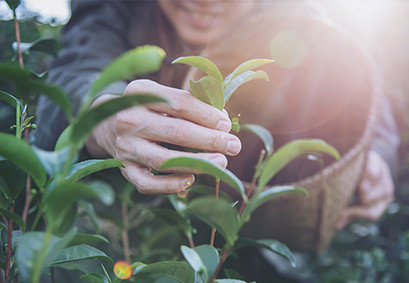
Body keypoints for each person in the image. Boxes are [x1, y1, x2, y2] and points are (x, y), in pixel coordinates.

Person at [34, 0, 399, 281]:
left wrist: (377, 157)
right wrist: (106, 116)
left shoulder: (297, 13)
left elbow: (363, 92)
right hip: (139, 212)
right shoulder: (112, 8)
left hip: (261, 219)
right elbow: (76, 70)